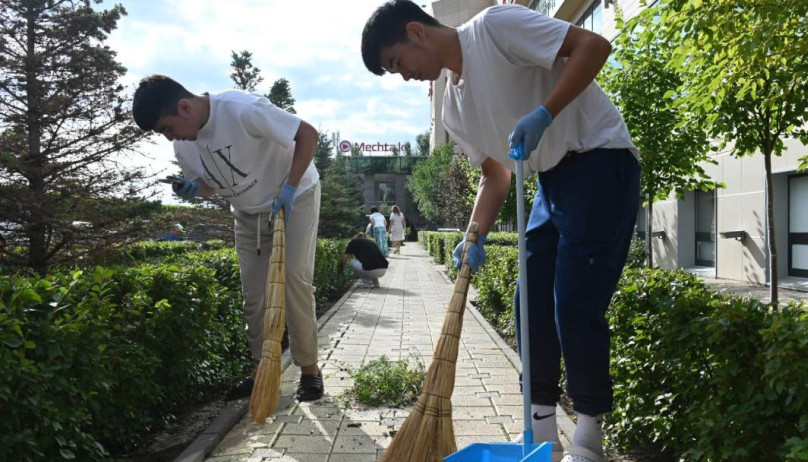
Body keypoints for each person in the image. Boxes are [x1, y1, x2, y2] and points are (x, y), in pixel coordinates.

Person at [361, 3, 640, 462]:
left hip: (599, 158)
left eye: (397, 63)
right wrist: (474, 236)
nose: (404, 76)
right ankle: (541, 435)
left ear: (416, 32)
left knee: (574, 303)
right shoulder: (453, 104)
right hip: (550, 181)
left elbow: (593, 45)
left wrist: (545, 113)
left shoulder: (493, 28)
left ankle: (589, 441)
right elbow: (496, 176)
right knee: (526, 302)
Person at [132, 74, 325, 403]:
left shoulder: (240, 108)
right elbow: (211, 183)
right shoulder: (184, 146)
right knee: (253, 295)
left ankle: (309, 371)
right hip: (248, 213)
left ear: (184, 107)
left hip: (295, 197)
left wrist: (290, 187)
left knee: (293, 280)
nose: (169, 138)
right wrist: (196, 189)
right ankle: (264, 369)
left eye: (166, 128)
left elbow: (307, 134)